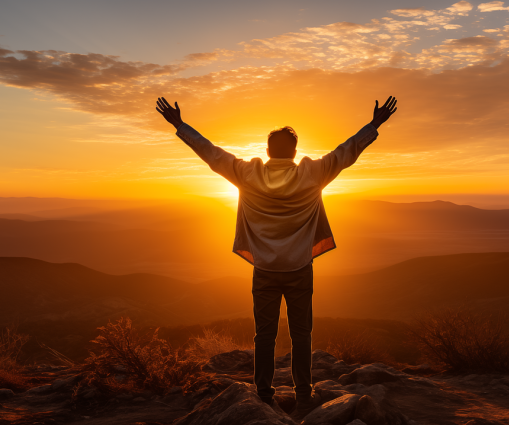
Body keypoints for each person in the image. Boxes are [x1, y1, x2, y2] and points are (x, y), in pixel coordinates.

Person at [156, 96, 397, 419]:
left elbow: (211, 154)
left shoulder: (247, 174)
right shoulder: (313, 174)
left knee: (264, 336)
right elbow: (347, 151)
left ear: (268, 151)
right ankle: (304, 394)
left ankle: (264, 394)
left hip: (264, 269)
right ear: (295, 152)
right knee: (302, 334)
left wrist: (179, 124)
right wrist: (375, 124)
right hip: (300, 268)